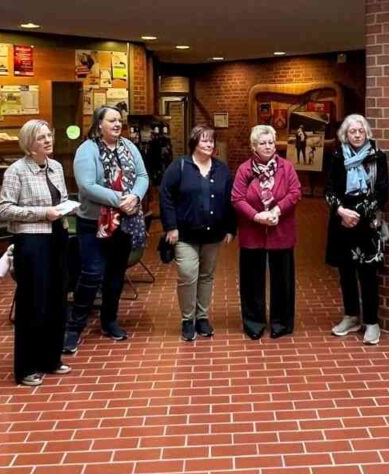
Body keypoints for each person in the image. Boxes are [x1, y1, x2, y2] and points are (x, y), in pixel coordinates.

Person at [63, 105, 148, 354]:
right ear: (99, 123)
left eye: (119, 120)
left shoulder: (129, 147)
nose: (117, 124)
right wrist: (120, 198)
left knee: (115, 275)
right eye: (111, 120)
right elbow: (87, 186)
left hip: (124, 222)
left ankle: (109, 321)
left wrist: (135, 197)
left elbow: (142, 175)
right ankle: (74, 328)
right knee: (92, 273)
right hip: (93, 223)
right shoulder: (86, 150)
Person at [0, 119, 71, 385]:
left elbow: (59, 200)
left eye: (49, 135)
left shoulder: (57, 167)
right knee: (33, 303)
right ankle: (27, 367)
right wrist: (43, 213)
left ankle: (52, 358)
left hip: (57, 238)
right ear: (29, 144)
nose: (48, 141)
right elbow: (4, 209)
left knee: (57, 299)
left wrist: (65, 208)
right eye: (41, 138)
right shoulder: (16, 171)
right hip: (32, 241)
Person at [159, 125, 236, 341]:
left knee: (206, 276)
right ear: (194, 143)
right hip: (185, 234)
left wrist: (231, 228)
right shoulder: (179, 167)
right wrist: (170, 227)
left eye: (211, 141)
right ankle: (187, 320)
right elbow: (165, 197)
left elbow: (230, 200)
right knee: (187, 274)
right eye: (204, 140)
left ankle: (202, 318)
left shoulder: (221, 170)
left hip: (213, 234)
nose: (209, 144)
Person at [324, 114, 389, 345]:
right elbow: (329, 189)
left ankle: (372, 322)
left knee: (368, 274)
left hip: (367, 223)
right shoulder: (337, 156)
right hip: (341, 221)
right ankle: (351, 317)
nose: (358, 135)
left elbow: (382, 192)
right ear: (345, 134)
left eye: (361, 131)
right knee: (346, 273)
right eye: (353, 131)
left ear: (367, 132)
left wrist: (358, 215)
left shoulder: (377, 157)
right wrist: (341, 211)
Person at [232, 124, 301, 339]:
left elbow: (295, 192)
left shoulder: (286, 167)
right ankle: (254, 323)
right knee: (252, 280)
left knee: (283, 279)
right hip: (253, 232)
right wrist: (257, 216)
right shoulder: (244, 169)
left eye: (271, 142)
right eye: (263, 143)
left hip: (281, 230)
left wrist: (277, 210)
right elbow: (237, 198)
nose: (268, 146)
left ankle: (281, 323)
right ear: (254, 147)